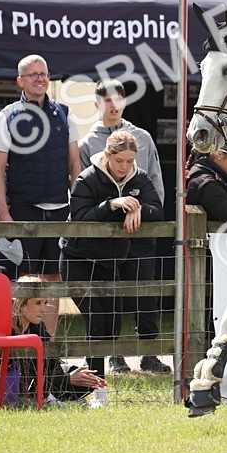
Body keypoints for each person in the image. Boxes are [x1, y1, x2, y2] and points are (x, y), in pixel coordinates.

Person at [77, 80, 169, 374]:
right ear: (96, 105)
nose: (113, 105)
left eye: (118, 99)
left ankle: (149, 352)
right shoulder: (86, 144)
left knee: (145, 291)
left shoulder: (142, 138)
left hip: (141, 231)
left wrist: (143, 213)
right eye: (106, 100)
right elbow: (83, 191)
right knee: (111, 293)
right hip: (105, 238)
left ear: (125, 102)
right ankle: (114, 354)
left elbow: (156, 183)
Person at [0, 55, 81, 336]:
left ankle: (48, 346)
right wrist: (4, 214)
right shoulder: (7, 116)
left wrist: (76, 208)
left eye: (43, 73)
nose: (40, 78)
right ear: (21, 81)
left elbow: (75, 165)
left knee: (53, 277)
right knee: (21, 280)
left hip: (59, 209)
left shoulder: (65, 114)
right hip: (22, 208)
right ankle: (18, 342)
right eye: (33, 75)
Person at [61, 131, 164, 377]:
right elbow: (80, 218)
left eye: (130, 161)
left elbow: (158, 209)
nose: (125, 166)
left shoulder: (139, 178)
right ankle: (95, 382)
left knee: (112, 323)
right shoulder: (87, 179)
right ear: (107, 155)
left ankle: (96, 381)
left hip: (110, 262)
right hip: (78, 258)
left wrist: (139, 209)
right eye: (120, 161)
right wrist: (111, 205)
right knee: (96, 321)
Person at [10, 276, 106, 404]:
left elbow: (52, 364)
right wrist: (67, 379)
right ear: (22, 305)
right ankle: (47, 399)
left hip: (45, 380)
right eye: (38, 303)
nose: (43, 309)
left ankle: (55, 396)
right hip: (19, 382)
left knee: (86, 382)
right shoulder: (9, 329)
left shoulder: (39, 328)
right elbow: (26, 372)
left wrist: (72, 373)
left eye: (45, 302)